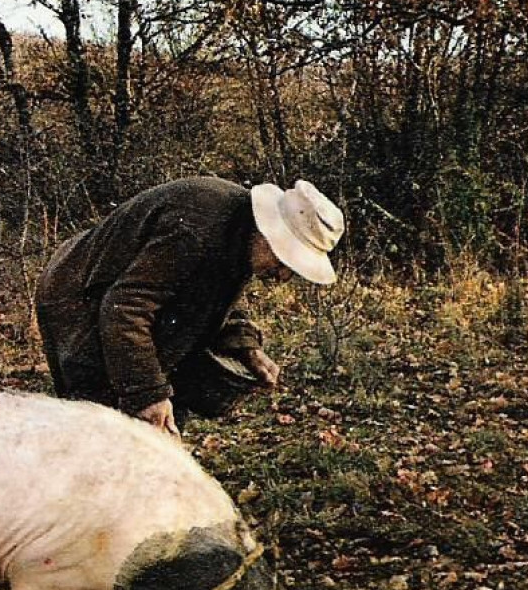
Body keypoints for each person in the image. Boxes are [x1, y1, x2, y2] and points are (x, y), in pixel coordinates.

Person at [35, 175, 345, 435]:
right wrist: (148, 395)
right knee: (100, 420)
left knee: (161, 407)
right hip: (77, 293)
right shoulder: (195, 230)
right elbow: (125, 309)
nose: (283, 275)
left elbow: (215, 300)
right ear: (267, 233)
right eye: (283, 260)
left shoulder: (239, 233)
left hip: (127, 304)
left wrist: (247, 346)